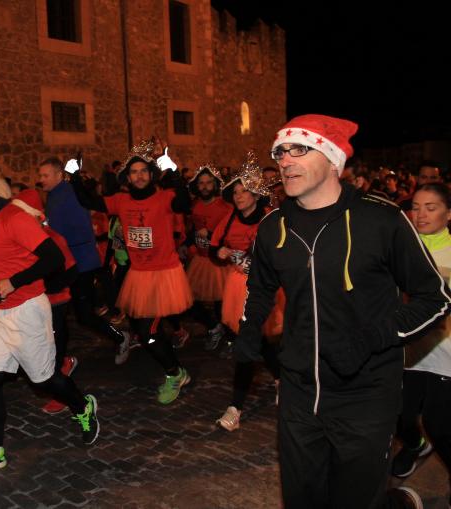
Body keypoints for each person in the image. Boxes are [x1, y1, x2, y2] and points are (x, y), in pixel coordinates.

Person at [236, 114, 449, 508]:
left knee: (355, 499)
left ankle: (398, 503)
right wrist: (249, 329)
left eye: (299, 149)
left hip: (366, 393)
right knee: (302, 498)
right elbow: (261, 286)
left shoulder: (382, 219)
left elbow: (435, 298)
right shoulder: (272, 227)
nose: (285, 160)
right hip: (299, 391)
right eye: (280, 152)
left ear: (333, 159)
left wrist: (371, 339)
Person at [0, 161, 99, 473]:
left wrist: (14, 282)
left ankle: (82, 405)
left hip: (27, 310)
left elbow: (53, 258)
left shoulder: (14, 217)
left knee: (44, 380)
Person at [70, 140, 194, 404]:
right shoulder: (121, 201)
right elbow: (87, 200)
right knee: (143, 331)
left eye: (143, 171)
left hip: (163, 273)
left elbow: (184, 202)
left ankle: (175, 373)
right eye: (134, 172)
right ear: (127, 177)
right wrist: (75, 175)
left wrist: (170, 168)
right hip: (138, 274)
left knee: (148, 333)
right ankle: (172, 362)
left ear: (151, 174)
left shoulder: (164, 197)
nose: (139, 176)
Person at [209, 161, 281, 431]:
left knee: (249, 343)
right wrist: (219, 253)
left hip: (264, 288)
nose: (239, 196)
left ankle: (235, 407)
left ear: (257, 194)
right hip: (238, 287)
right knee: (254, 341)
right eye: (236, 192)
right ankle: (280, 378)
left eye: (245, 191)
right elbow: (213, 247)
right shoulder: (229, 218)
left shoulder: (271, 219)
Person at [38, 157, 131, 364]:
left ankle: (120, 337)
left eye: (45, 175)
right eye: (40, 175)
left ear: (59, 175)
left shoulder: (71, 193)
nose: (41, 179)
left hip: (80, 263)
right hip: (65, 263)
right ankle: (58, 357)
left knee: (83, 314)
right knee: (59, 312)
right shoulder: (53, 195)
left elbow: (79, 229)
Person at [391, 183, 451, 501]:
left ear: (448, 213)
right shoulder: (402, 247)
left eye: (431, 207)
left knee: (438, 424)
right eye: (415, 207)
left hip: (445, 352)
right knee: (397, 415)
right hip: (409, 351)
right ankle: (415, 445)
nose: (421, 214)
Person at [11, 189, 80, 414]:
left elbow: (71, 272)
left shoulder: (54, 239)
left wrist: (46, 287)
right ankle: (59, 367)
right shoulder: (19, 240)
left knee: (53, 348)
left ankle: (63, 392)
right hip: (32, 303)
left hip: (55, 302)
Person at [184, 165, 232, 350]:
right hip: (201, 260)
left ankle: (229, 340)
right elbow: (192, 230)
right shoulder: (194, 205)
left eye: (208, 183)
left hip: (220, 262)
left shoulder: (225, 206)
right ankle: (214, 327)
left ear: (215, 184)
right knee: (188, 300)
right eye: (201, 183)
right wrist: (187, 244)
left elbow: (231, 235)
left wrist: (211, 234)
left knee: (222, 305)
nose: (204, 187)